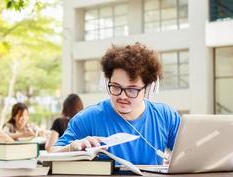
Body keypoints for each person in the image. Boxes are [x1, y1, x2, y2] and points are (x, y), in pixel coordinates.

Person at [52, 43, 181, 165]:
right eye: (116, 87)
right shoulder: (88, 118)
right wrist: (72, 148)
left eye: (132, 89)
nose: (122, 96)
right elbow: (51, 155)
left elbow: (191, 152)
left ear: (148, 89)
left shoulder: (165, 116)